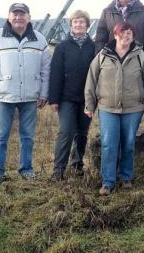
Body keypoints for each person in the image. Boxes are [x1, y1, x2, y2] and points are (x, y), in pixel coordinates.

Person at [0, 3, 51, 186]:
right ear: (9, 16)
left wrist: (44, 92)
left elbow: (46, 69)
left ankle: (26, 169)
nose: (18, 17)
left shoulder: (40, 40)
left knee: (28, 136)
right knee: (1, 136)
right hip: (4, 96)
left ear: (29, 17)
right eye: (15, 14)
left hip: (30, 96)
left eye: (22, 14)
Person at [84, 22, 144, 196]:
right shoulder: (103, 55)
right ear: (115, 35)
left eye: (130, 32)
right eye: (122, 32)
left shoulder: (140, 56)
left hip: (133, 108)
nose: (126, 35)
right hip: (107, 108)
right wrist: (89, 104)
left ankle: (125, 177)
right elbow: (91, 80)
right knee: (109, 144)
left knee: (129, 144)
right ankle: (108, 181)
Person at [48, 10, 96, 181]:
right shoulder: (62, 47)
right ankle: (58, 170)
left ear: (87, 25)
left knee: (82, 133)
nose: (78, 25)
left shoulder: (94, 46)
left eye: (82, 22)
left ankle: (77, 164)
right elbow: (55, 73)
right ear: (71, 24)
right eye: (75, 22)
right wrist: (53, 99)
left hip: (87, 98)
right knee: (66, 131)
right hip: (67, 98)